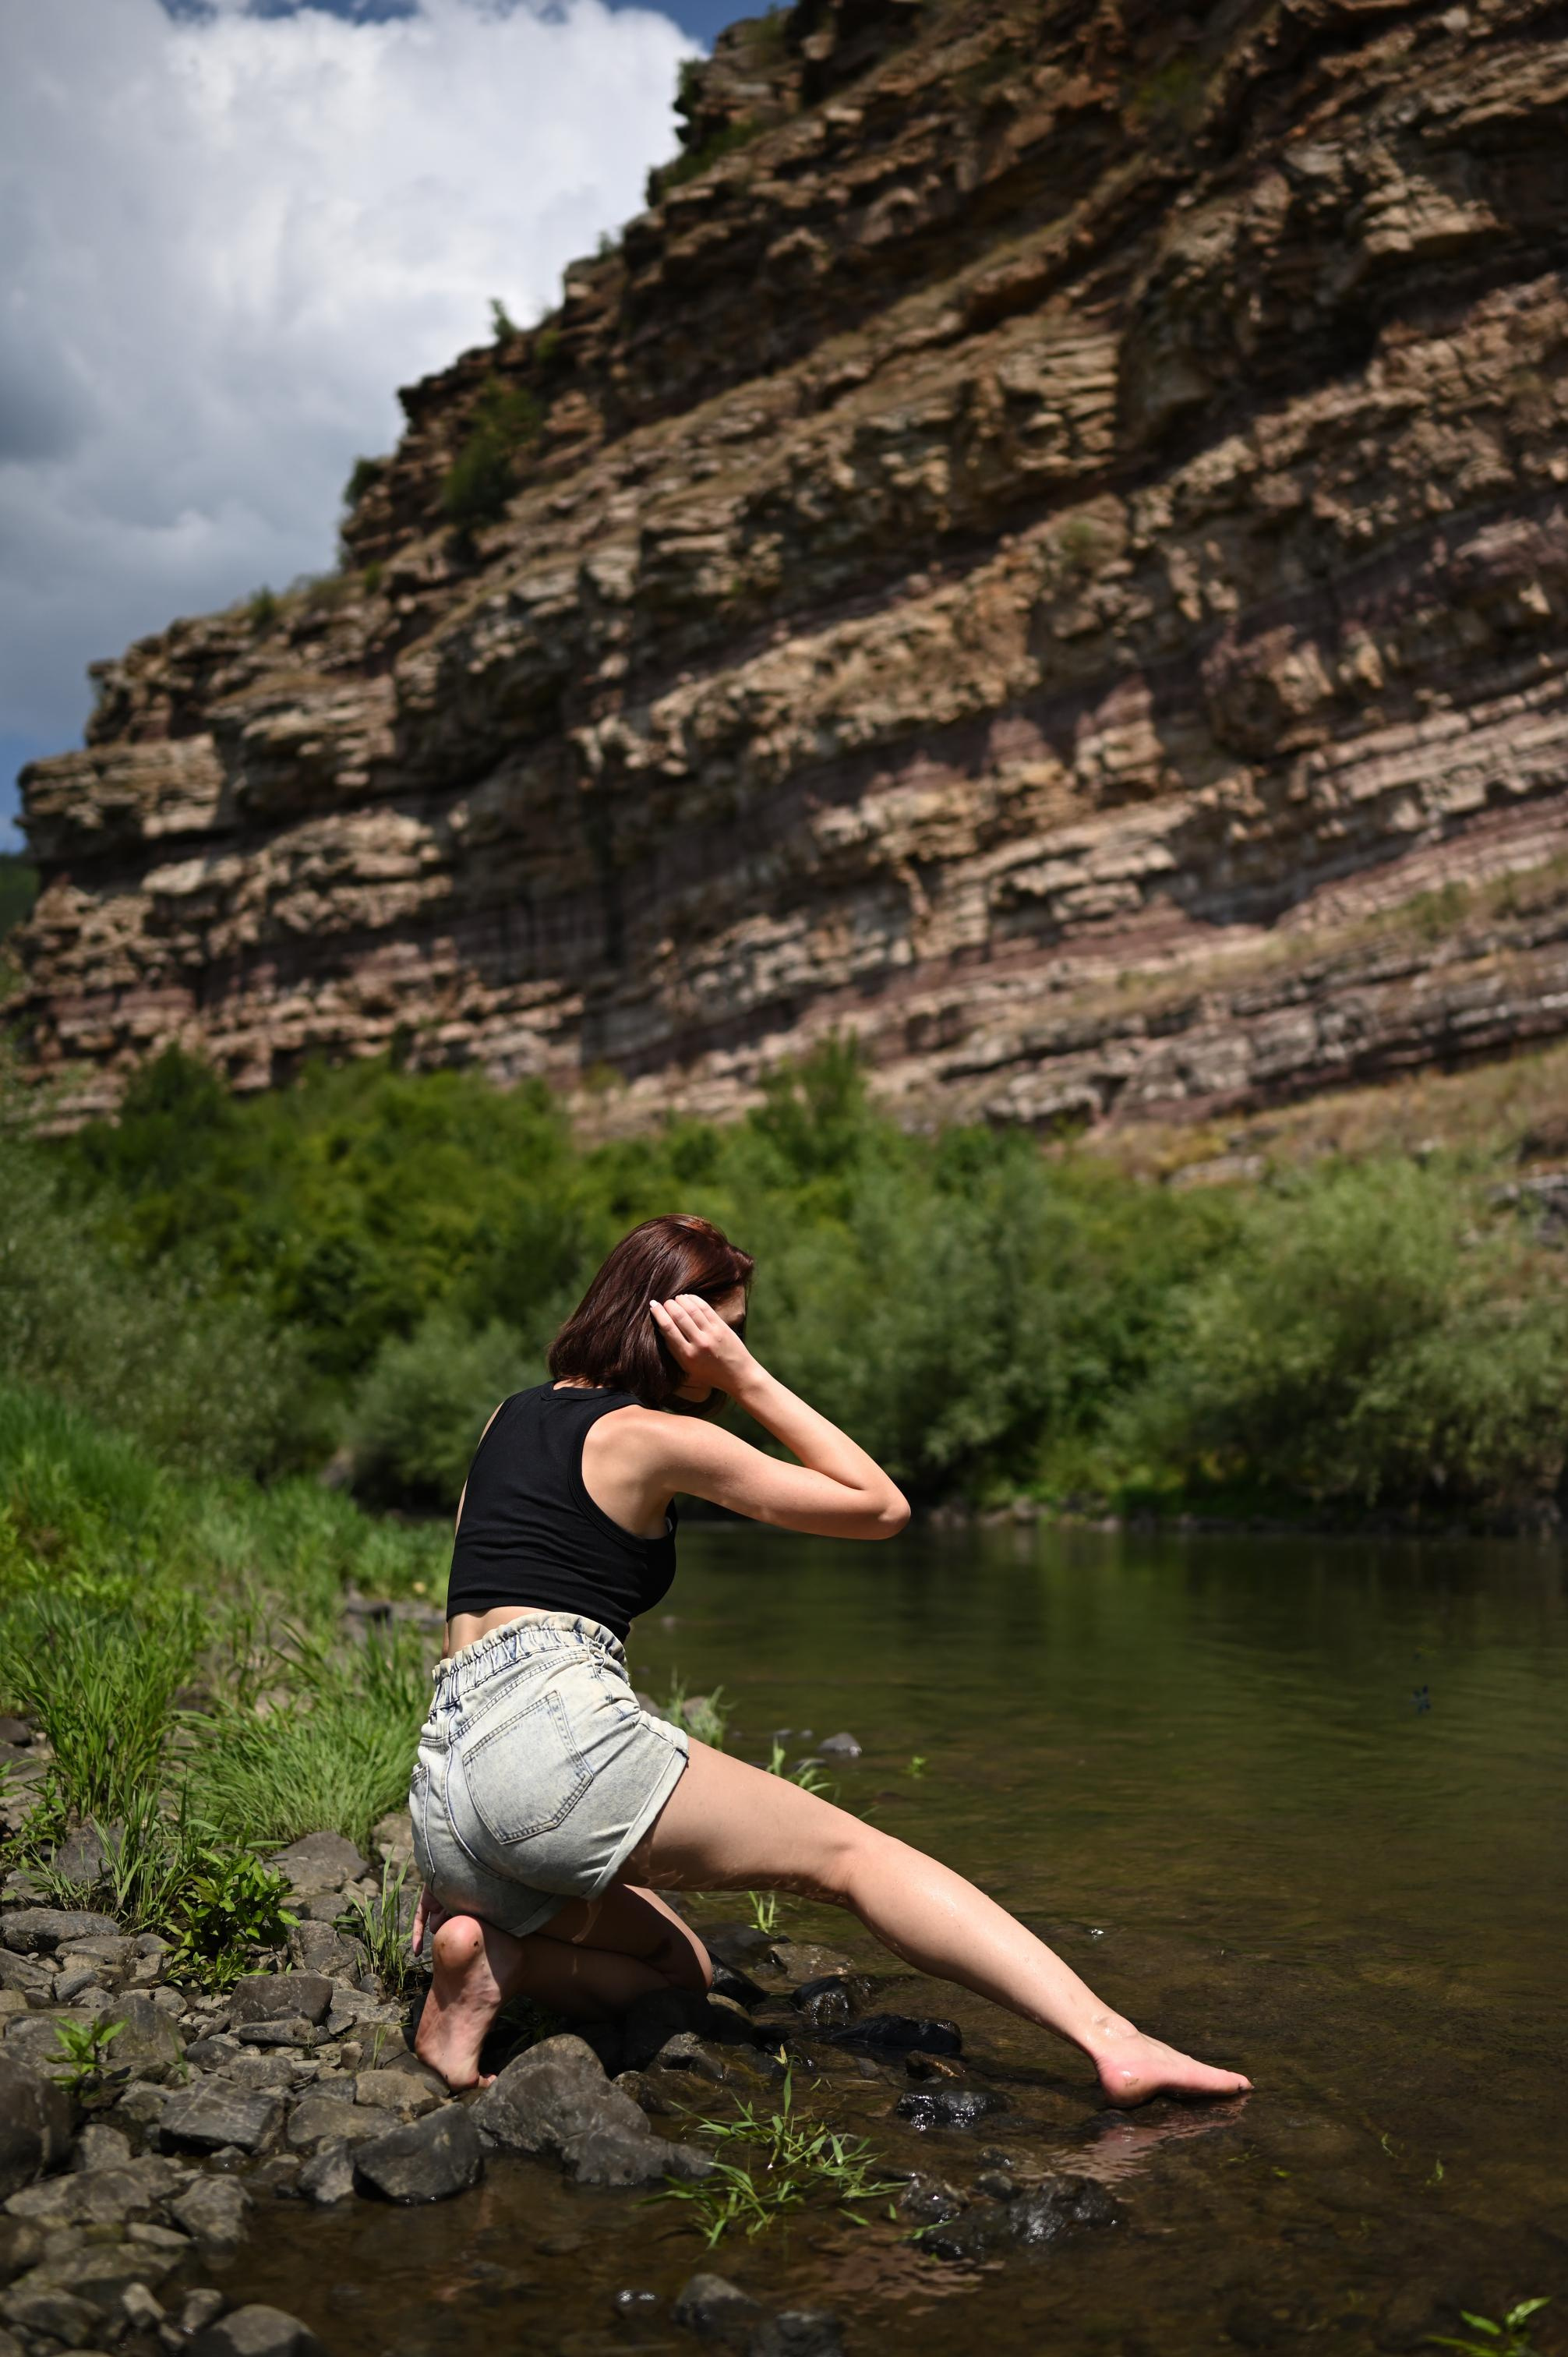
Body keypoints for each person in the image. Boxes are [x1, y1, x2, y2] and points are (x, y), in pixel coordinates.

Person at [408, 1212, 1251, 2108]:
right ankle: (1113, 2042)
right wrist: (751, 1379)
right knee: (854, 1858)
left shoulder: (507, 1418)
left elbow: (480, 1599)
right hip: (553, 1750)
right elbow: (878, 1506)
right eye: (726, 1329)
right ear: (672, 1325)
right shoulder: (649, 1436)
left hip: (446, 1780)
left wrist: (468, 1825)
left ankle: (493, 1961)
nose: (732, 1349)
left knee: (681, 1969)